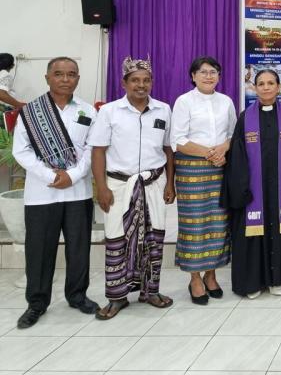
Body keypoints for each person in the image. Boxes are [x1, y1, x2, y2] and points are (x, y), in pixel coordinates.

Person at [12, 57, 98, 328]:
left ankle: (77, 296)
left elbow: (92, 149)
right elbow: (21, 151)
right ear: (47, 77)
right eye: (58, 74)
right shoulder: (30, 112)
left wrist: (71, 175)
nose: (65, 79)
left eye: (71, 74)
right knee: (39, 250)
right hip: (41, 194)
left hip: (78, 193)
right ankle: (36, 304)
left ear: (78, 78)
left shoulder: (88, 111)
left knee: (79, 248)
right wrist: (51, 176)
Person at [89, 57, 175, 319]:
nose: (141, 85)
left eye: (146, 80)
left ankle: (151, 291)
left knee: (153, 239)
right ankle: (116, 298)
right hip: (118, 185)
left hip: (154, 184)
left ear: (152, 83)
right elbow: (98, 151)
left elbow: (168, 149)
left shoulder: (163, 109)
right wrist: (101, 187)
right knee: (117, 240)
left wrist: (170, 183)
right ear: (124, 83)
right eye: (135, 80)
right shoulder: (109, 112)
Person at [222, 69, 281, 298]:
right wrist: (241, 186)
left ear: (279, 87)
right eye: (261, 83)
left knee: (280, 229)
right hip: (253, 191)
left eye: (271, 83)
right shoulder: (245, 117)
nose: (266, 87)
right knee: (252, 233)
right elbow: (237, 155)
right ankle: (253, 282)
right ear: (254, 88)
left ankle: (277, 279)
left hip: (280, 189)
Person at [170, 56, 237, 304]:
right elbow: (177, 140)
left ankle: (211, 275)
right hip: (192, 169)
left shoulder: (226, 101)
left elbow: (233, 133)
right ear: (193, 76)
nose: (209, 76)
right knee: (195, 225)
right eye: (204, 72)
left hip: (220, 168)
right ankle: (195, 278)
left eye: (214, 72)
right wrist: (210, 153)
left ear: (219, 76)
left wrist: (223, 150)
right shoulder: (184, 101)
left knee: (218, 224)